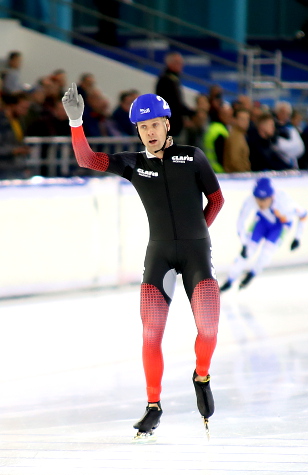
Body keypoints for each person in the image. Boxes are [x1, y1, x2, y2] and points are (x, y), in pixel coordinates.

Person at [61, 84, 224, 439]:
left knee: (209, 328)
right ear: (138, 131)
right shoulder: (133, 163)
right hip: (160, 255)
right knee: (151, 333)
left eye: (155, 125)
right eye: (142, 127)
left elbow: (216, 200)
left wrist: (198, 232)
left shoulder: (192, 156)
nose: (149, 132)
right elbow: (88, 159)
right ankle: (153, 405)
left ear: (168, 125)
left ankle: (202, 375)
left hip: (196, 252)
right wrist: (76, 120)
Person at [219, 178, 307, 292]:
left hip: (280, 226)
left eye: (264, 199)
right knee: (247, 252)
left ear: (272, 197)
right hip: (262, 221)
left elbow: (304, 215)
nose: (260, 203)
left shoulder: (285, 203)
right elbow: (240, 221)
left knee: (266, 254)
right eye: (257, 199)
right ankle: (229, 281)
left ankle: (252, 274)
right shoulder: (251, 200)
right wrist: (244, 244)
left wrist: (297, 237)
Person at [155, 52, 194, 140]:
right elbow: (174, 103)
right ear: (170, 63)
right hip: (172, 126)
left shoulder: (173, 79)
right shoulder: (166, 80)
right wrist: (191, 113)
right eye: (178, 62)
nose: (181, 65)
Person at [222, 108, 251, 173]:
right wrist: (245, 173)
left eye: (247, 119)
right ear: (235, 120)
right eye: (242, 119)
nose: (246, 122)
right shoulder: (235, 137)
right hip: (237, 177)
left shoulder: (240, 135)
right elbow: (235, 161)